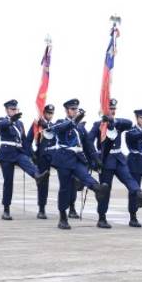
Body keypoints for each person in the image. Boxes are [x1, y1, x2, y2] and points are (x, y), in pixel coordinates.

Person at [87, 99, 142, 228]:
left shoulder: (118, 123)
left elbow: (129, 123)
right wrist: (95, 158)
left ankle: (139, 197)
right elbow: (89, 141)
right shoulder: (98, 125)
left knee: (130, 180)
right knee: (105, 189)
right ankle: (102, 218)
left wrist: (114, 121)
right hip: (105, 160)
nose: (113, 111)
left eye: (114, 109)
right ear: (104, 111)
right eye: (110, 109)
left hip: (119, 158)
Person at [48, 99, 110, 230]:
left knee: (84, 175)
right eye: (72, 109)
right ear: (66, 110)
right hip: (63, 159)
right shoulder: (60, 123)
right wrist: (74, 121)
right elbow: (63, 128)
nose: (75, 111)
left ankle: (97, 188)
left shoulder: (81, 128)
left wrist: (95, 158)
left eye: (76, 109)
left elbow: (88, 144)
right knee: (64, 189)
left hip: (77, 158)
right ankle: (63, 217)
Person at [0, 99, 47, 220]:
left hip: (18, 152)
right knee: (8, 182)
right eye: (12, 109)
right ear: (7, 110)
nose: (14, 111)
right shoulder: (2, 120)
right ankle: (6, 209)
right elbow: (2, 126)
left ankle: (37, 176)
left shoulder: (20, 123)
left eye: (16, 109)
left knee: (27, 163)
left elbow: (24, 141)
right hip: (6, 153)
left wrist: (32, 153)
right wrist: (11, 120)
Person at [34, 104, 56, 219]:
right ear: (43, 113)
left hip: (55, 155)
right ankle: (41, 209)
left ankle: (71, 207)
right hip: (42, 156)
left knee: (69, 176)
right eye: (47, 113)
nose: (49, 115)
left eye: (51, 113)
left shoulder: (55, 125)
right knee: (43, 182)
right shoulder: (37, 125)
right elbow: (28, 140)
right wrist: (31, 154)